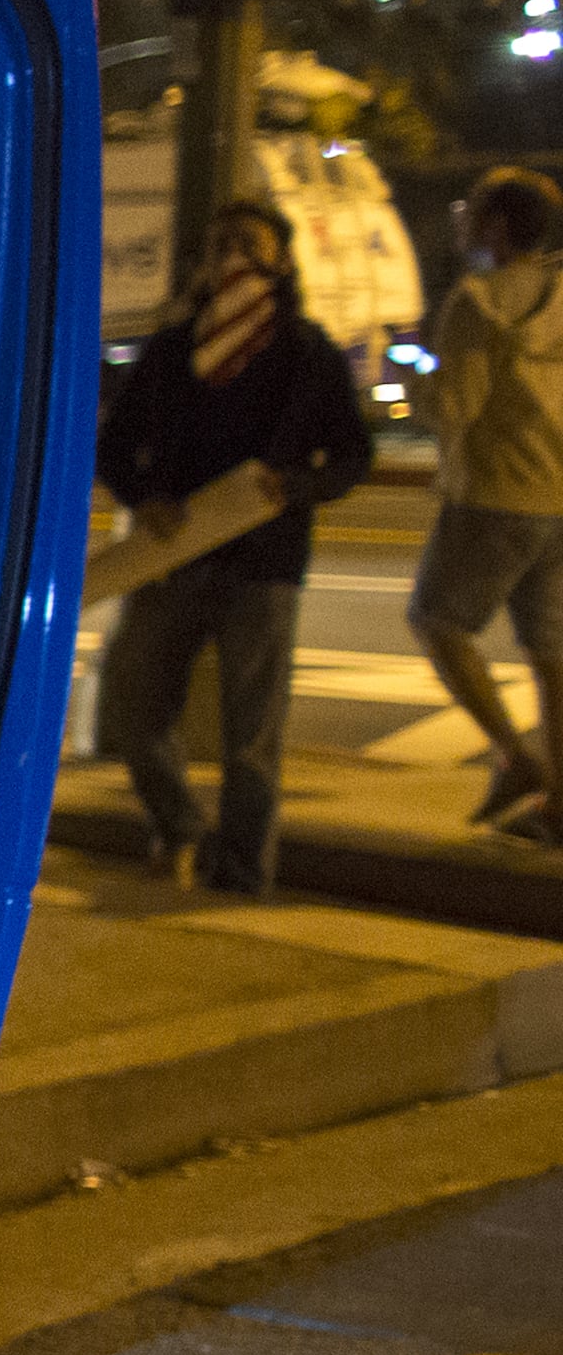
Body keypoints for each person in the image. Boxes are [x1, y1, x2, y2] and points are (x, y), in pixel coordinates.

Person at [94, 199, 375, 894]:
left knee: (251, 740)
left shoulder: (307, 353)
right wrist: (143, 498)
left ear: (280, 260)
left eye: (249, 245)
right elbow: (113, 446)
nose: (232, 259)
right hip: (172, 560)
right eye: (219, 244)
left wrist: (296, 487)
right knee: (132, 706)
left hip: (265, 564)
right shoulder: (170, 351)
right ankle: (182, 825)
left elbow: (352, 454)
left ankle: (243, 873)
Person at [406, 166, 563, 842]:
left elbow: (454, 407)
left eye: (471, 211)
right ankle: (560, 804)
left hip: (496, 494)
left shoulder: (479, 301)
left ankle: (515, 755)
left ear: (498, 226)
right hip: (560, 500)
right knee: (552, 651)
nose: (463, 221)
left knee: (438, 622)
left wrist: (418, 385)